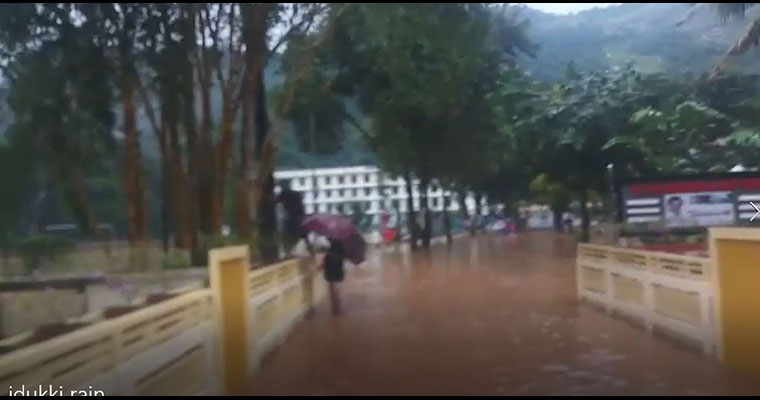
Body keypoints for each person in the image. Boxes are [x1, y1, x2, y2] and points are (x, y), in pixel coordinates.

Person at [275, 180, 313, 255]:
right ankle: (310, 250)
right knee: (304, 235)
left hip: (291, 218)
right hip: (300, 216)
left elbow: (275, 201)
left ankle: (288, 252)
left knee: (287, 235)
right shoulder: (296, 194)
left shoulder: (284, 194)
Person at [322, 239, 345, 316]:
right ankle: (337, 309)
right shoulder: (341, 251)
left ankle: (335, 309)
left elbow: (325, 264)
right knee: (337, 292)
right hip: (338, 274)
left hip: (331, 274)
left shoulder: (330, 253)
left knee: (333, 292)